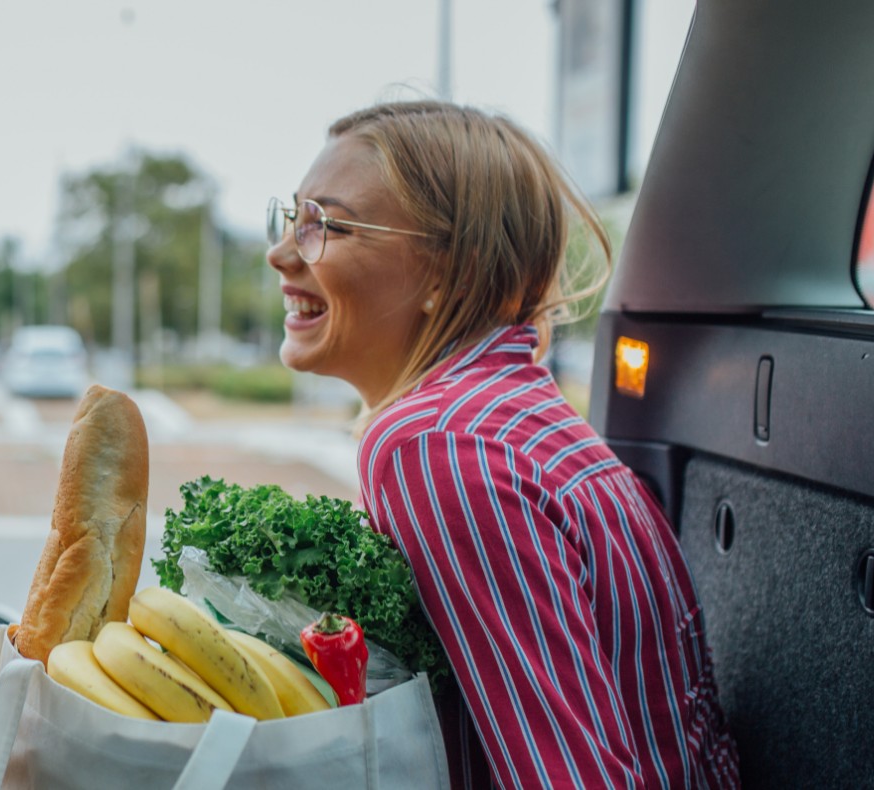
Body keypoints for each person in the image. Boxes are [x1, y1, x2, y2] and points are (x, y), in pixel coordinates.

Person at [265, 100, 739, 788]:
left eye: (325, 225)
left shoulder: (434, 446)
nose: (281, 254)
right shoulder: (513, 415)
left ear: (448, 273)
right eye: (291, 217)